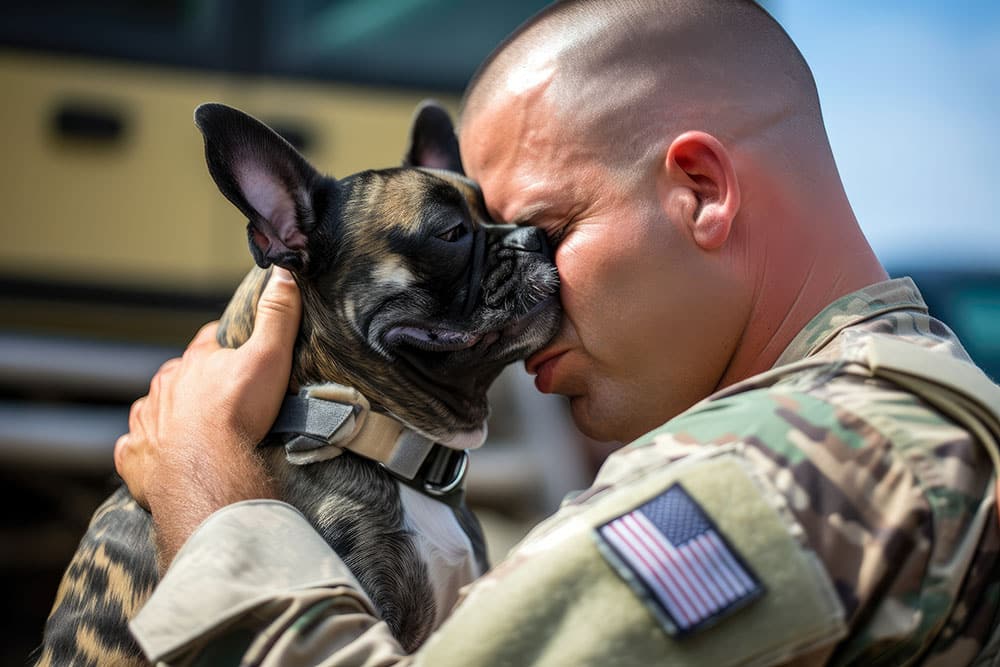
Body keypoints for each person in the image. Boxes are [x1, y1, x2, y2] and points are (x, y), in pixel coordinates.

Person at [115, 1, 1000, 665]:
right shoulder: (935, 403)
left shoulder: (771, 470)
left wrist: (206, 485)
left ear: (699, 190)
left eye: (549, 232)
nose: (524, 299)